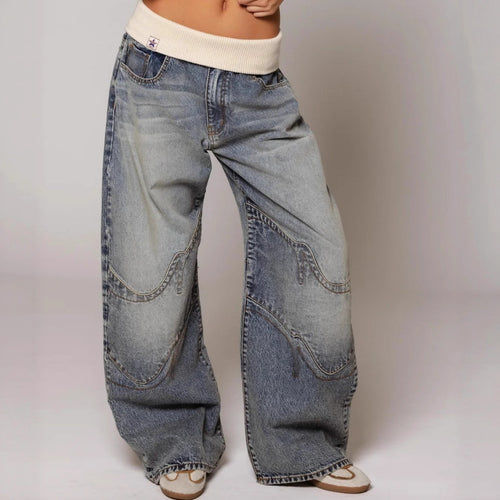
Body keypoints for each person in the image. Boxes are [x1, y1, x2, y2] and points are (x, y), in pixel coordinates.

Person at [100, 0, 371, 498]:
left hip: (259, 85)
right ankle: (175, 438)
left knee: (315, 253)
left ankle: (301, 442)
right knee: (150, 269)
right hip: (160, 69)